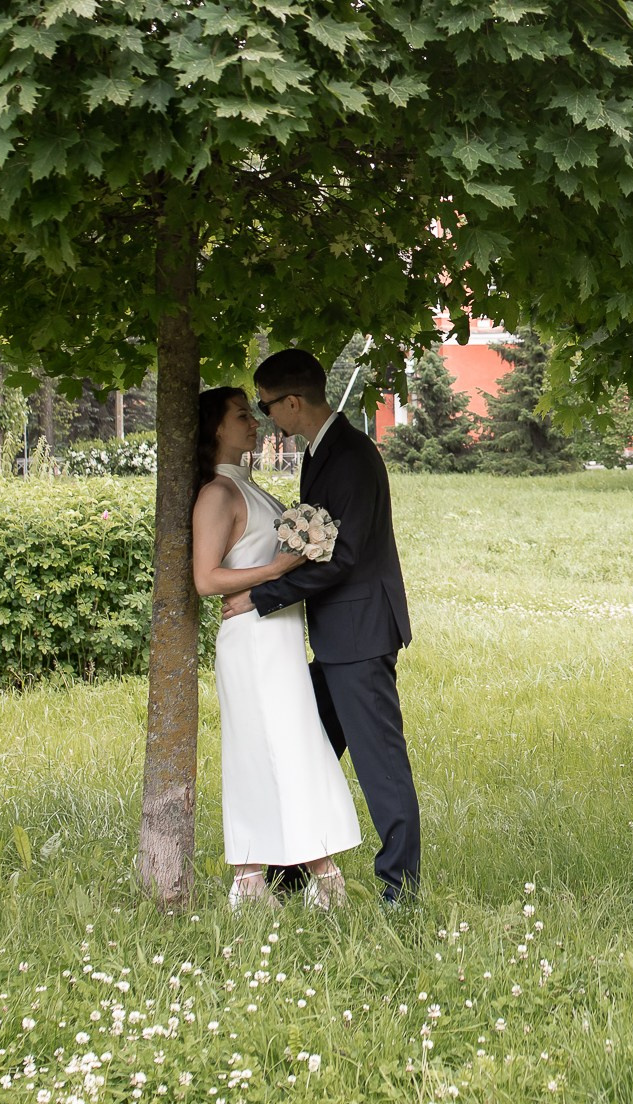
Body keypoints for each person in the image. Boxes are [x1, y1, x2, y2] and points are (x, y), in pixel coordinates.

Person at [225, 347, 421, 904]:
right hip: (339, 635)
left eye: (266, 407)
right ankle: (289, 872)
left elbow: (343, 559)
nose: (265, 418)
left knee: (380, 764)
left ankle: (400, 893)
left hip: (361, 633)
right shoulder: (319, 452)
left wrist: (260, 596)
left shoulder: (351, 455)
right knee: (305, 744)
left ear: (292, 402)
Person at [190, 384, 359, 909]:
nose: (254, 422)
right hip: (252, 643)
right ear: (217, 429)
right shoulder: (218, 494)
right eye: (242, 415)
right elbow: (206, 579)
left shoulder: (250, 488)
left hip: (279, 637)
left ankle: (268, 877)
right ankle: (289, 877)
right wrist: (276, 572)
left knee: (294, 745)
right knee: (269, 749)